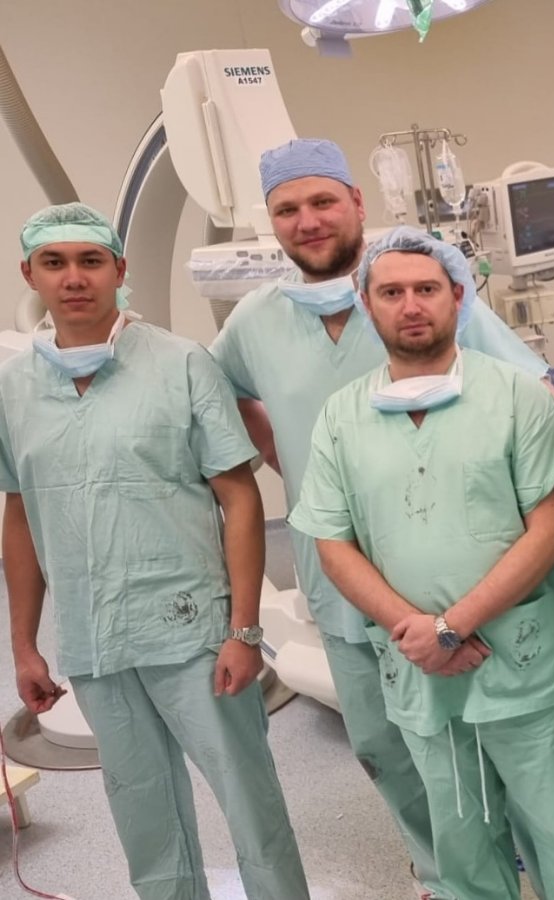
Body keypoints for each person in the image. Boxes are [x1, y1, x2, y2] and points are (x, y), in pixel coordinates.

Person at [209, 137, 554, 899]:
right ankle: (442, 874)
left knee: (505, 751)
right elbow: (223, 393)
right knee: (384, 747)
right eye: (287, 209)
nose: (308, 220)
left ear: (357, 203)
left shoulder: (415, 292)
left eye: (322, 201)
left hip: (463, 578)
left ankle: (529, 869)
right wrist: (290, 463)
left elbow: (536, 394)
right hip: (341, 579)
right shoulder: (255, 322)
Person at [1, 203, 309, 899]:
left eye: (90, 261)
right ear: (29, 275)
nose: (73, 278)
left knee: (247, 797)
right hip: (94, 640)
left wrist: (244, 630)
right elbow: (20, 515)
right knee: (142, 809)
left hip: (192, 629)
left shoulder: (181, 363)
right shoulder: (14, 389)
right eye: (54, 263)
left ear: (118, 270)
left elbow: (239, 498)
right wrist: (24, 646)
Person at [289, 227, 554, 900]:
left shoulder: (517, 397)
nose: (410, 305)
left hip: (518, 664)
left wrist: (452, 626)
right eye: (391, 292)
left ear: (457, 297)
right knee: (460, 850)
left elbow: (549, 531)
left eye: (426, 289)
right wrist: (417, 631)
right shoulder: (342, 417)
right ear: (366, 304)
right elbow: (332, 542)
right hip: (420, 671)